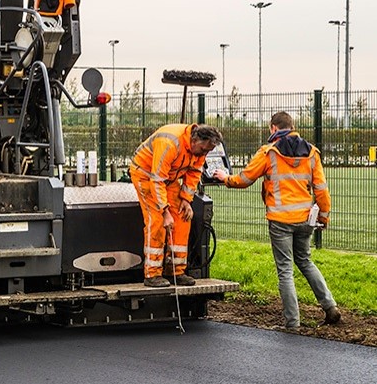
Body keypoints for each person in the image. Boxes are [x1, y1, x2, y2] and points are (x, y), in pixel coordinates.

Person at [213, 111, 341, 330]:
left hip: (280, 220)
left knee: (285, 271)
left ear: (273, 128)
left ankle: (292, 323)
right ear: (292, 127)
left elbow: (245, 179)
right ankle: (330, 307)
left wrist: (226, 179)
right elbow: (321, 190)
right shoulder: (312, 153)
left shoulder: (268, 152)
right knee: (305, 261)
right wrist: (324, 216)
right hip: (304, 220)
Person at [129, 123, 223, 287]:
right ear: (194, 140)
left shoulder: (200, 149)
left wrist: (186, 200)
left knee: (183, 216)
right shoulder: (169, 143)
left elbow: (194, 173)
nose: (205, 154)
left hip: (168, 178)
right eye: (204, 150)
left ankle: (175, 270)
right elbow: (157, 180)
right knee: (156, 221)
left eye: (208, 151)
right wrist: (165, 212)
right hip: (145, 175)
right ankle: (152, 274)